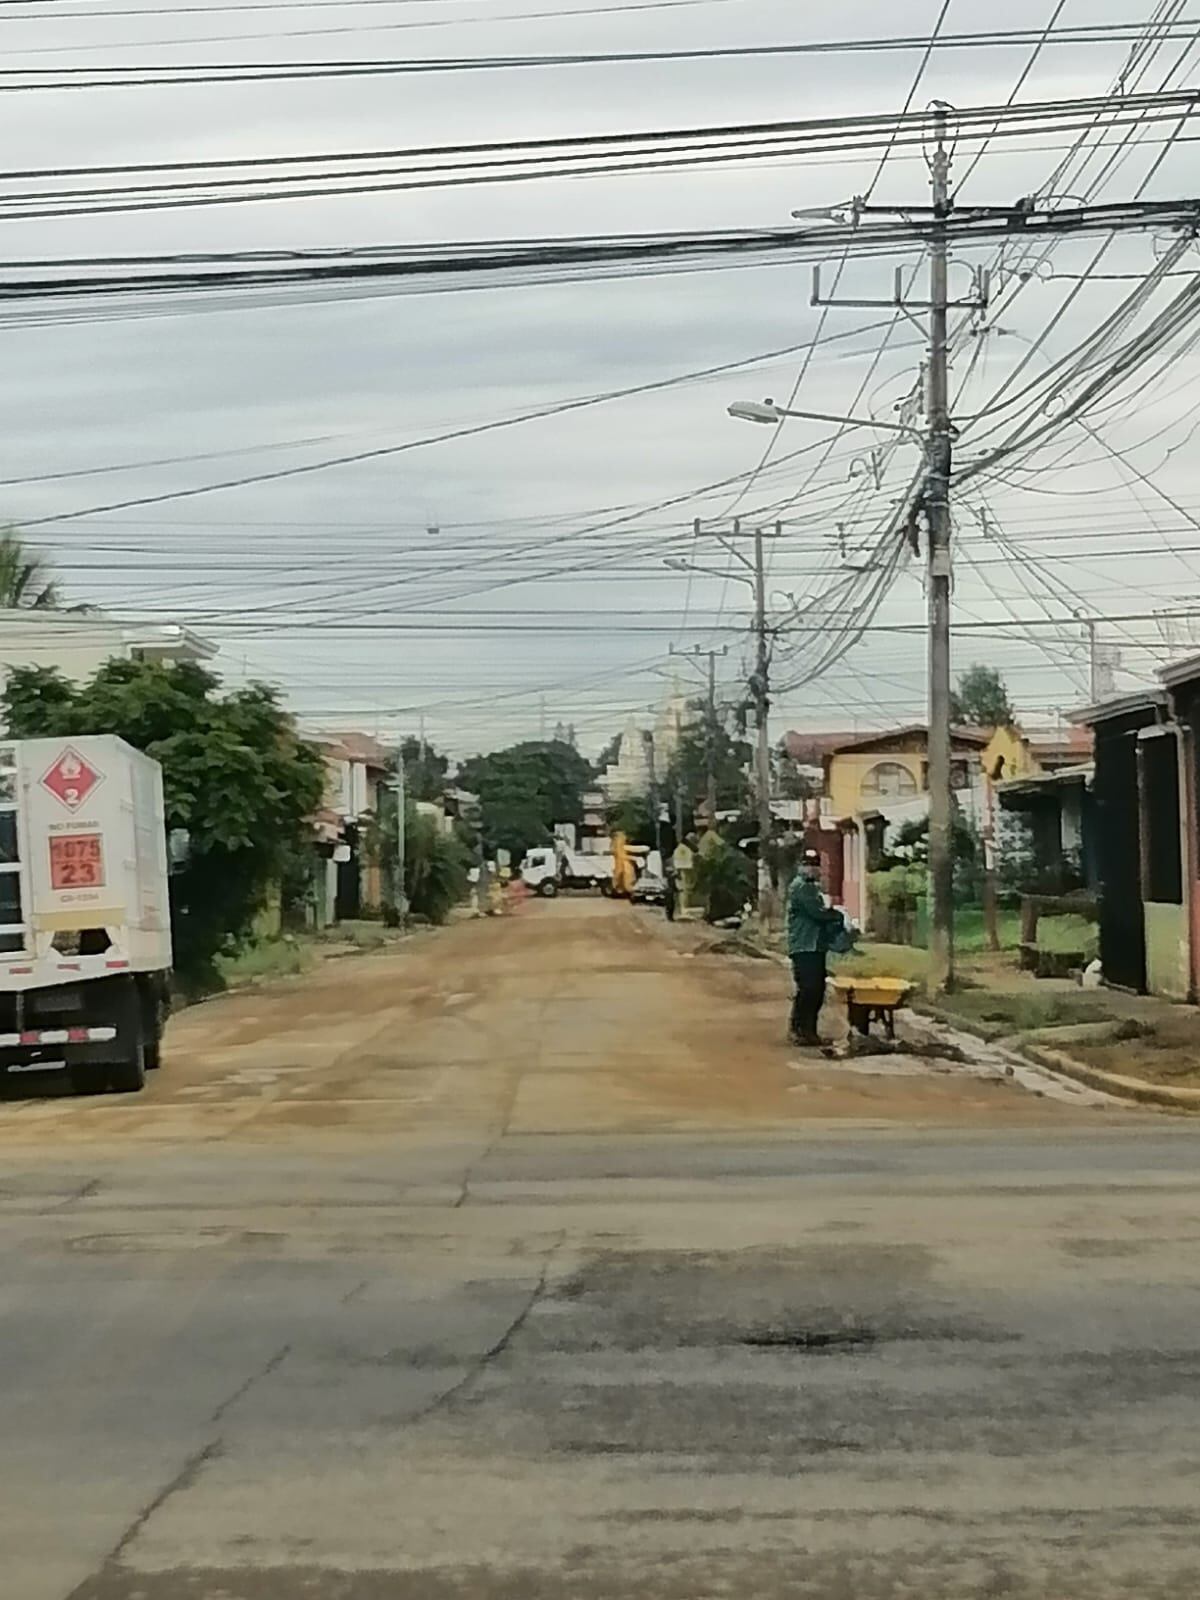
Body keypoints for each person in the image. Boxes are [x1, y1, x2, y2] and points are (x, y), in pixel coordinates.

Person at [786, 849, 845, 1047]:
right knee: (810, 990)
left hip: (814, 945)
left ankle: (806, 1030)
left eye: (815, 864)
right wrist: (838, 916)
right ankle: (801, 1030)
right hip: (804, 946)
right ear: (801, 865)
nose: (812, 868)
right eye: (808, 864)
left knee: (815, 990)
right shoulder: (801, 887)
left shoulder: (811, 887)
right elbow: (817, 913)